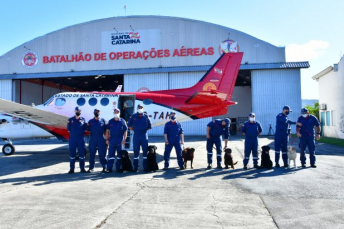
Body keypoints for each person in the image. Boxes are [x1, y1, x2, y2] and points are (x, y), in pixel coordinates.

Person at [128, 104, 152, 172]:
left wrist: (143, 130)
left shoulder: (146, 116)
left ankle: (145, 167)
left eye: (141, 107)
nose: (140, 108)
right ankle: (135, 168)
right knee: (136, 152)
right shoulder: (133, 116)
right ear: (137, 108)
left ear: (143, 108)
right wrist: (135, 130)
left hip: (144, 136)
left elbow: (149, 126)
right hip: (136, 136)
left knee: (145, 152)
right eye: (139, 107)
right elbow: (129, 125)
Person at [105, 108, 128, 173]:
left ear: (119, 113)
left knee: (119, 156)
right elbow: (107, 131)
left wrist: (124, 139)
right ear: (113, 113)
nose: (116, 113)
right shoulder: (110, 121)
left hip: (120, 141)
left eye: (117, 112)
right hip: (112, 141)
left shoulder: (122, 121)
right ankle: (109, 168)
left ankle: (118, 168)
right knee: (111, 155)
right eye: (115, 112)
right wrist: (107, 139)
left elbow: (125, 131)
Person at [67, 106, 87, 174]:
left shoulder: (83, 119)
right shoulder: (70, 120)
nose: (78, 112)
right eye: (77, 111)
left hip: (81, 138)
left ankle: (82, 168)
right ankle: (72, 169)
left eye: (79, 112)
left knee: (82, 154)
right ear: (74, 111)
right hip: (73, 138)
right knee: (72, 154)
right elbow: (68, 129)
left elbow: (85, 129)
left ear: (80, 112)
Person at [87, 108, 107, 173]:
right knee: (92, 154)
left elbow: (107, 130)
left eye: (98, 112)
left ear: (100, 112)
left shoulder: (103, 120)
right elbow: (88, 130)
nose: (97, 113)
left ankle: (104, 167)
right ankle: (91, 168)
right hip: (93, 138)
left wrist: (107, 138)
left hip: (101, 138)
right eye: (95, 112)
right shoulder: (90, 121)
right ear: (94, 112)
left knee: (102, 154)